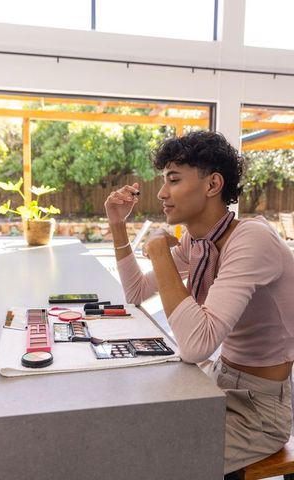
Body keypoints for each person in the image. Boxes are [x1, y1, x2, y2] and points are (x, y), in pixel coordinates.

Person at [104, 130, 294, 477]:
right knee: (127, 428)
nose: (161, 193)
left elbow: (196, 344)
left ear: (212, 184)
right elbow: (135, 294)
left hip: (259, 411)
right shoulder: (200, 240)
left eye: (173, 180)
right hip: (217, 380)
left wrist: (161, 251)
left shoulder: (250, 239)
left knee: (150, 461)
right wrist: (118, 226)